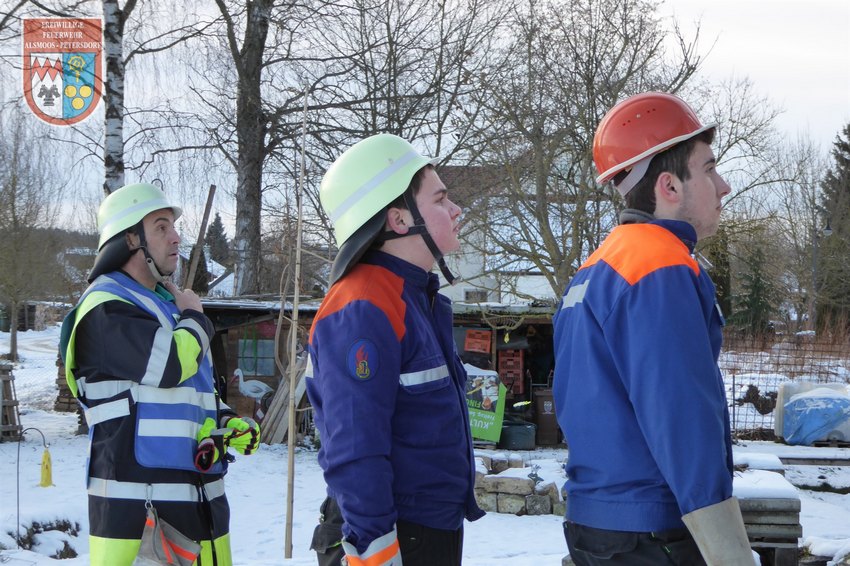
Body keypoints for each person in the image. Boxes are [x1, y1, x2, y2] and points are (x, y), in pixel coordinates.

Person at [552, 92, 755, 565]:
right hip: (650, 533)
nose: (723, 186)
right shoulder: (660, 267)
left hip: (596, 523)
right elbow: (682, 413)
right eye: (708, 169)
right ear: (668, 186)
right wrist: (727, 550)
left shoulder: (592, 272)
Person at [59, 183, 260, 566]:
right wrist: (196, 318)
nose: (176, 237)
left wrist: (225, 421)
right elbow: (169, 366)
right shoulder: (107, 308)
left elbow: (186, 395)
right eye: (161, 226)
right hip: (140, 521)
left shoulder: (165, 310)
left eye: (173, 227)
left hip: (197, 510)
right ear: (131, 239)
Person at [306, 133, 484, 566]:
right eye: (441, 199)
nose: (456, 209)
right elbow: (353, 445)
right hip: (392, 536)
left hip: (426, 530)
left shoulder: (411, 298)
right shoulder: (363, 306)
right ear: (400, 219)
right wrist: (377, 550)